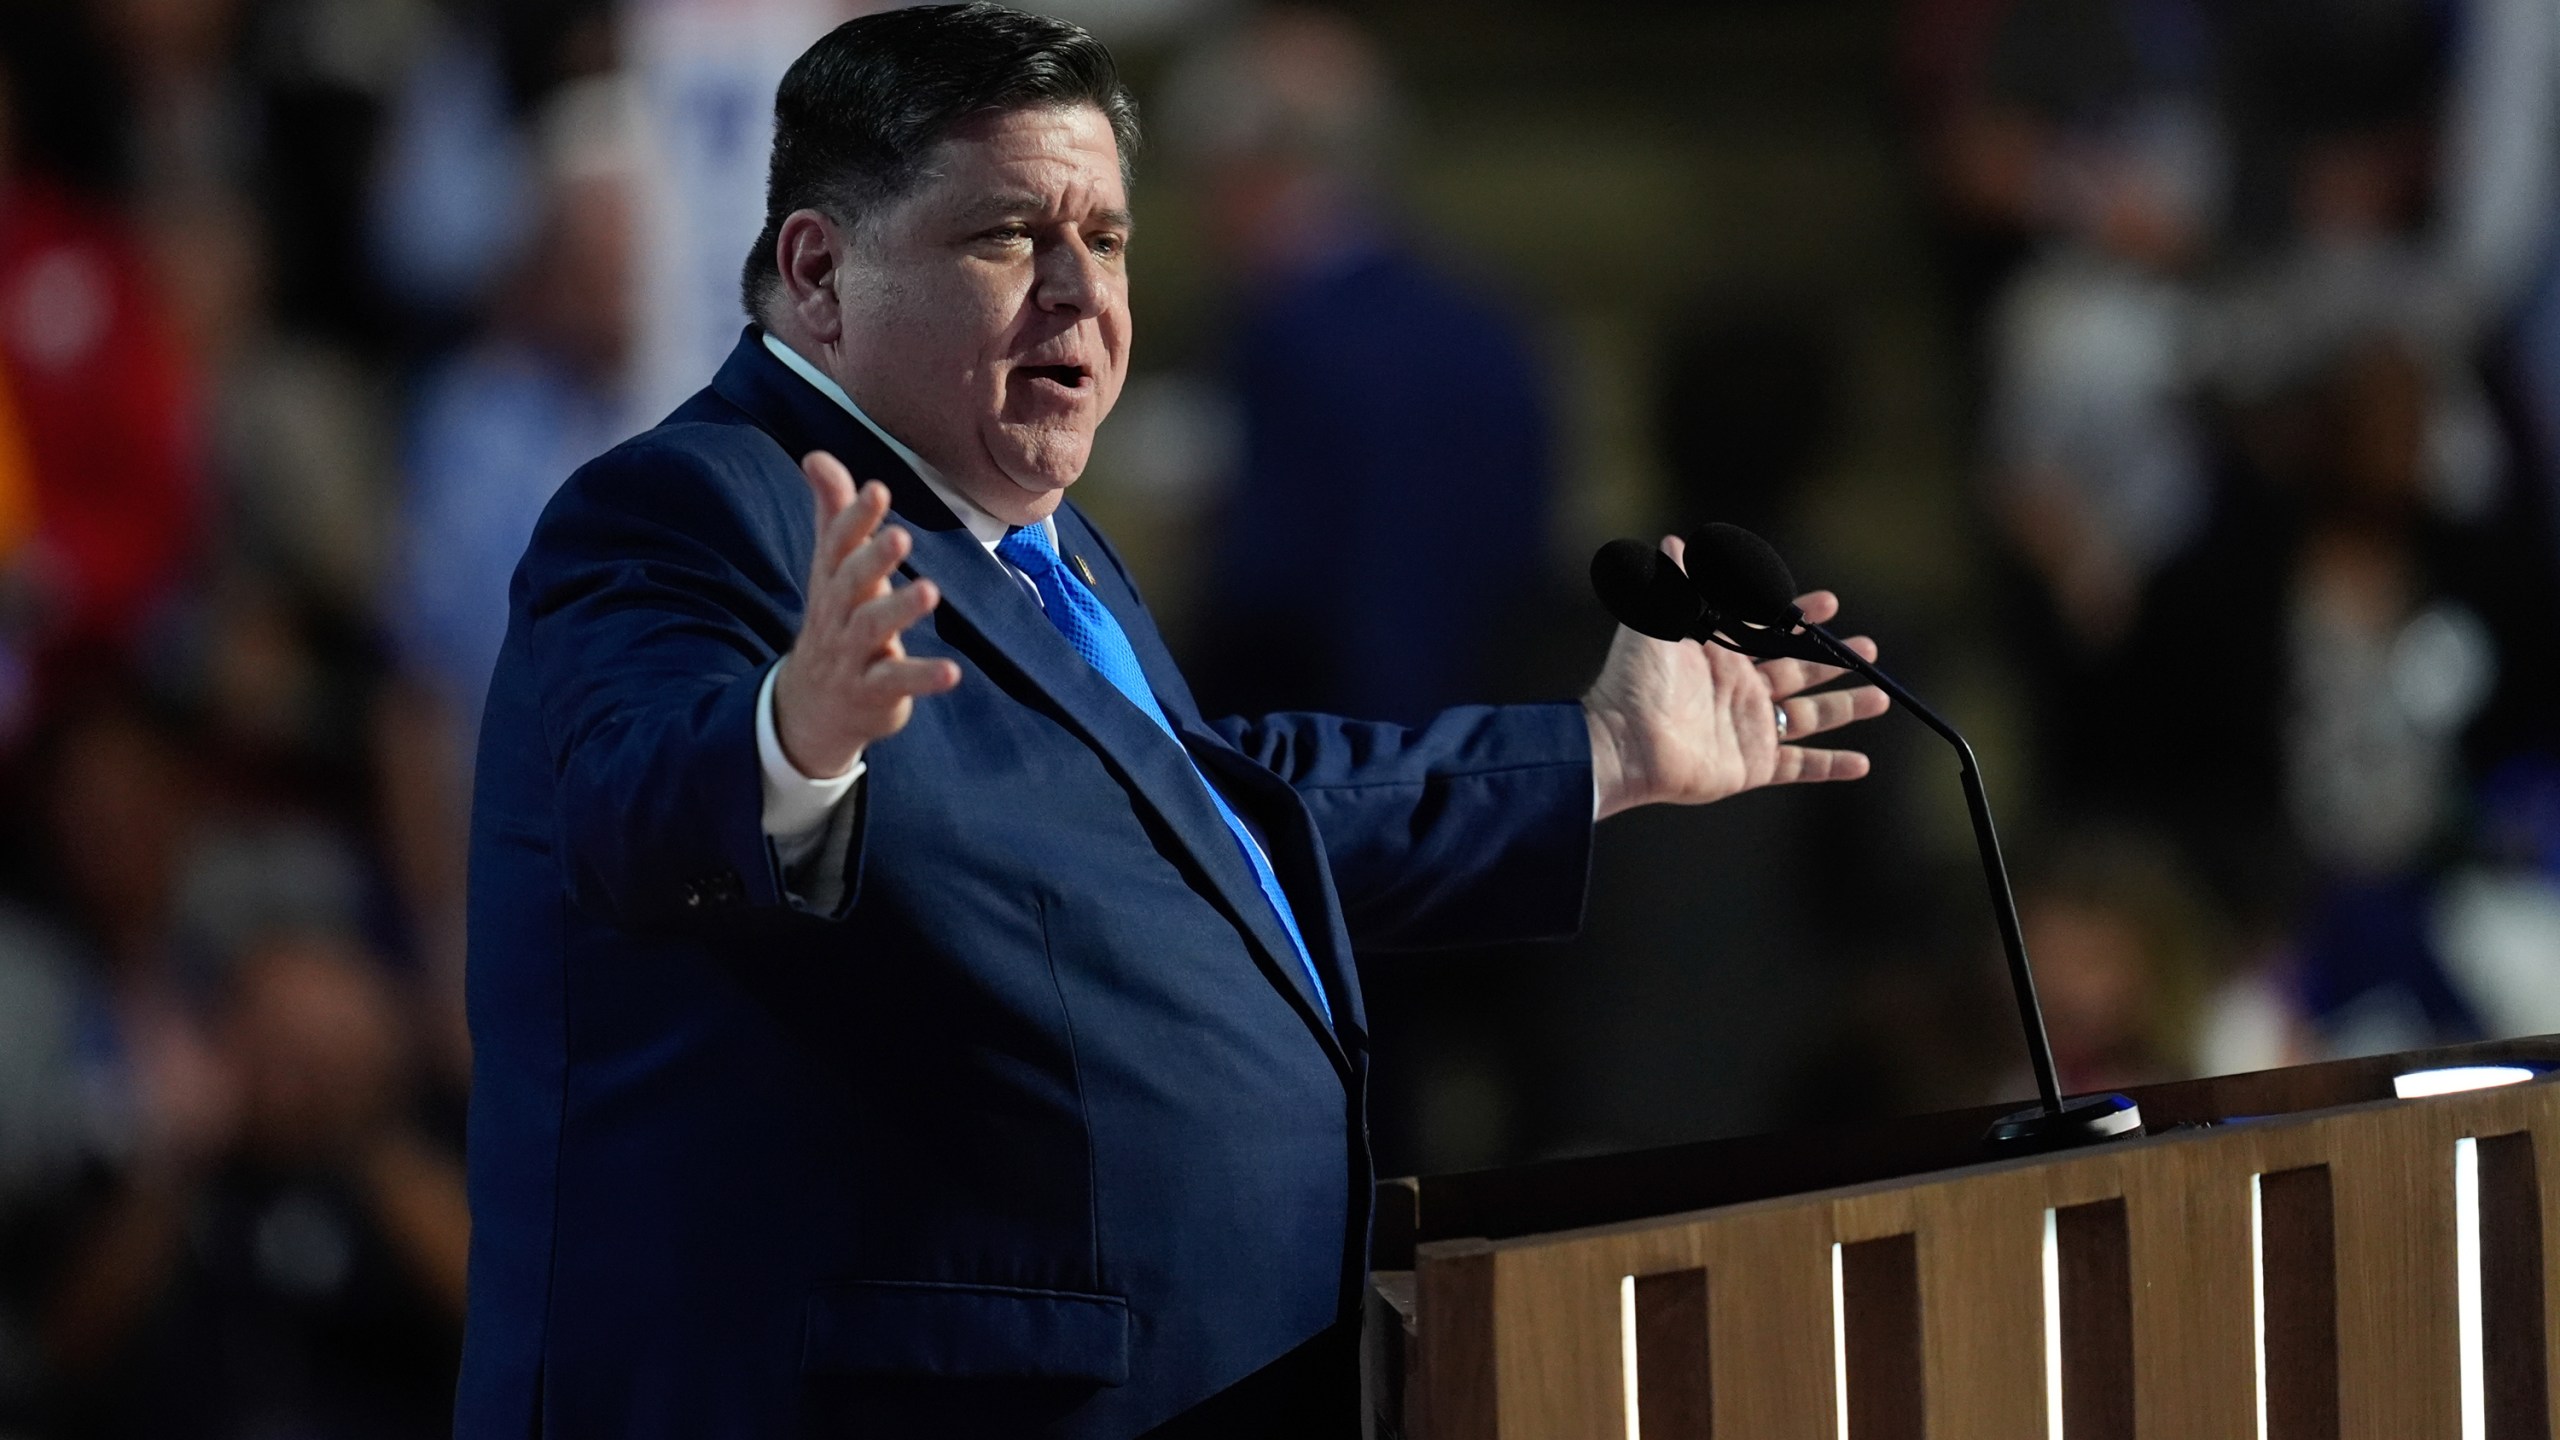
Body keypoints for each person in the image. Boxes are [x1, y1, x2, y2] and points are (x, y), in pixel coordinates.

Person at [457, 6, 1888, 1436]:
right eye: (1009, 237)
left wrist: (1599, 756)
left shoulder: (1037, 541)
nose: (1080, 292)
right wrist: (792, 738)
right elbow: (628, 810)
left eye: (1109, 240)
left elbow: (1198, 815)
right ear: (821, 274)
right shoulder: (693, 505)